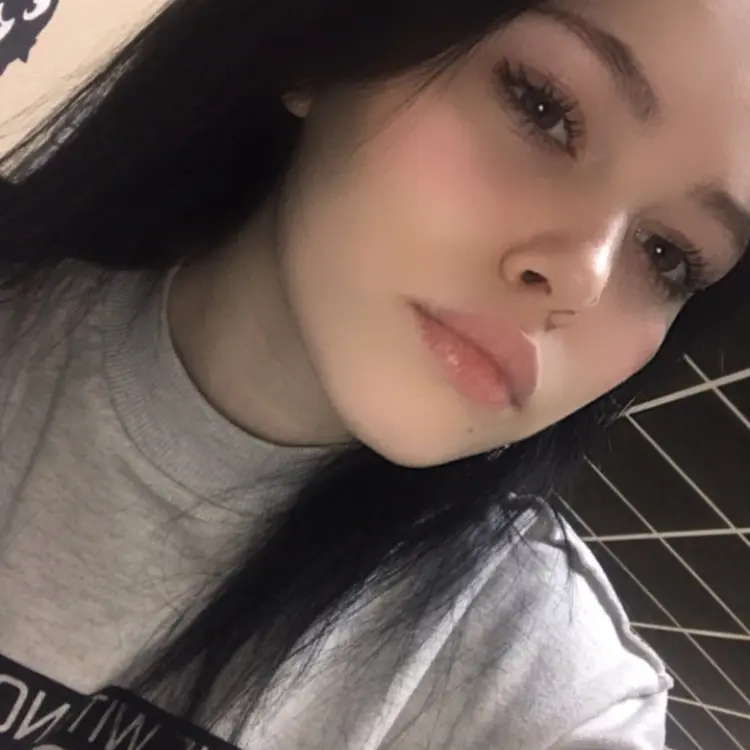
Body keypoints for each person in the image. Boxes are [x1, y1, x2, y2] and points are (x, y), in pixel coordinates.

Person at [0, 0, 748, 747]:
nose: (583, 279)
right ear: (321, 45)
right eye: (544, 107)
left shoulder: (554, 698)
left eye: (667, 255)